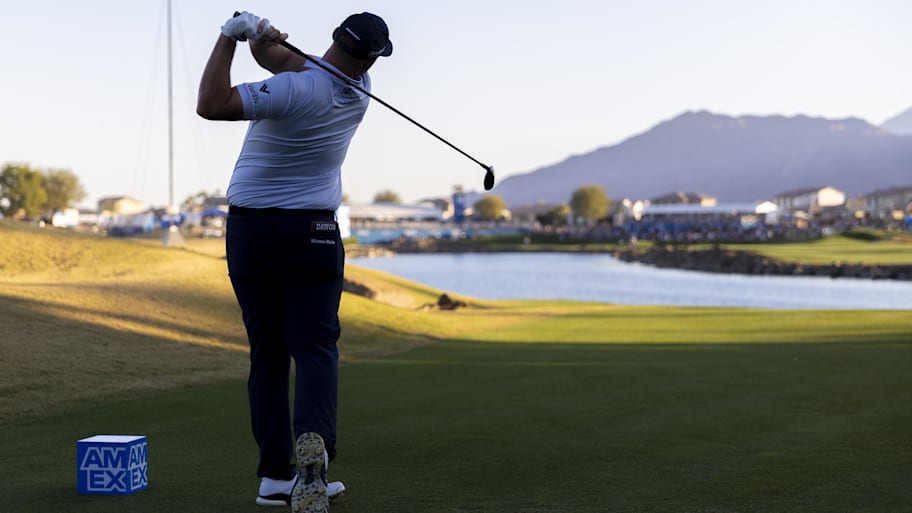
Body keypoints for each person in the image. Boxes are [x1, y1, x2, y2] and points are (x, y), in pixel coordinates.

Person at [197, 10, 392, 513]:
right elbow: (284, 63)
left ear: (334, 40)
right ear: (372, 58)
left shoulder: (298, 91)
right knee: (315, 349)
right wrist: (262, 40)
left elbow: (212, 104)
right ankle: (315, 457)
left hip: (252, 233)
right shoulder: (360, 90)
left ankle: (274, 478)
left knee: (267, 355)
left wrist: (228, 37)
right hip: (314, 235)